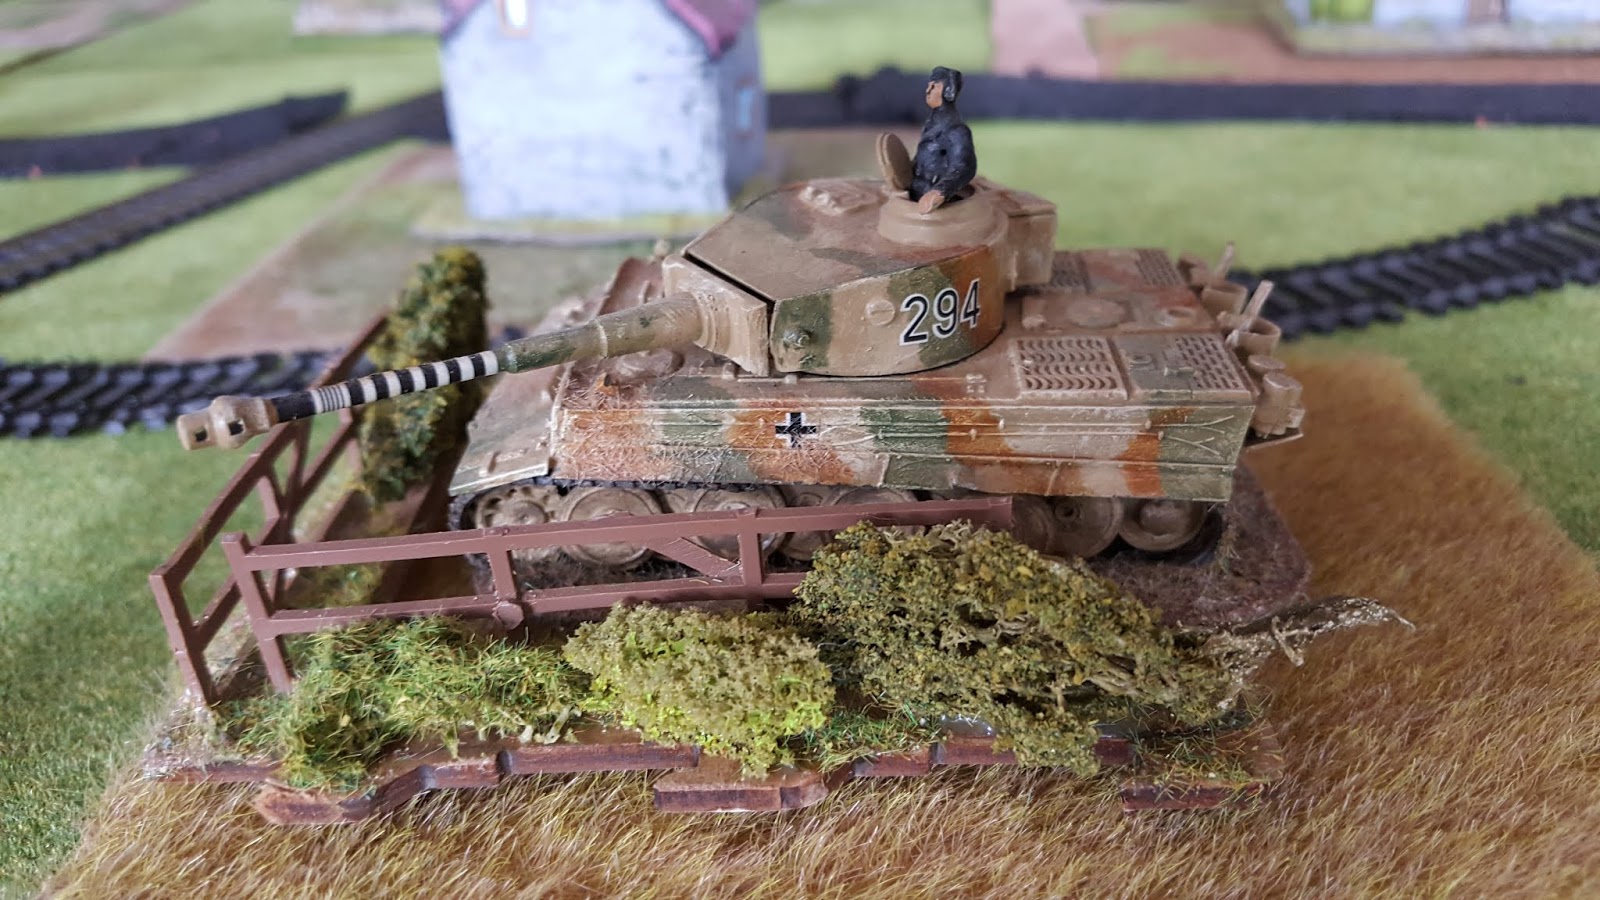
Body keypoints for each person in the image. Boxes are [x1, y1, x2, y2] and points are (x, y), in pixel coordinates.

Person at [908, 66, 977, 214]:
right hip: (916, 192)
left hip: (937, 203)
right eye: (929, 85)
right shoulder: (931, 123)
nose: (928, 90)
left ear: (948, 91)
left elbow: (964, 166)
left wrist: (939, 192)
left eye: (935, 86)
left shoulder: (956, 130)